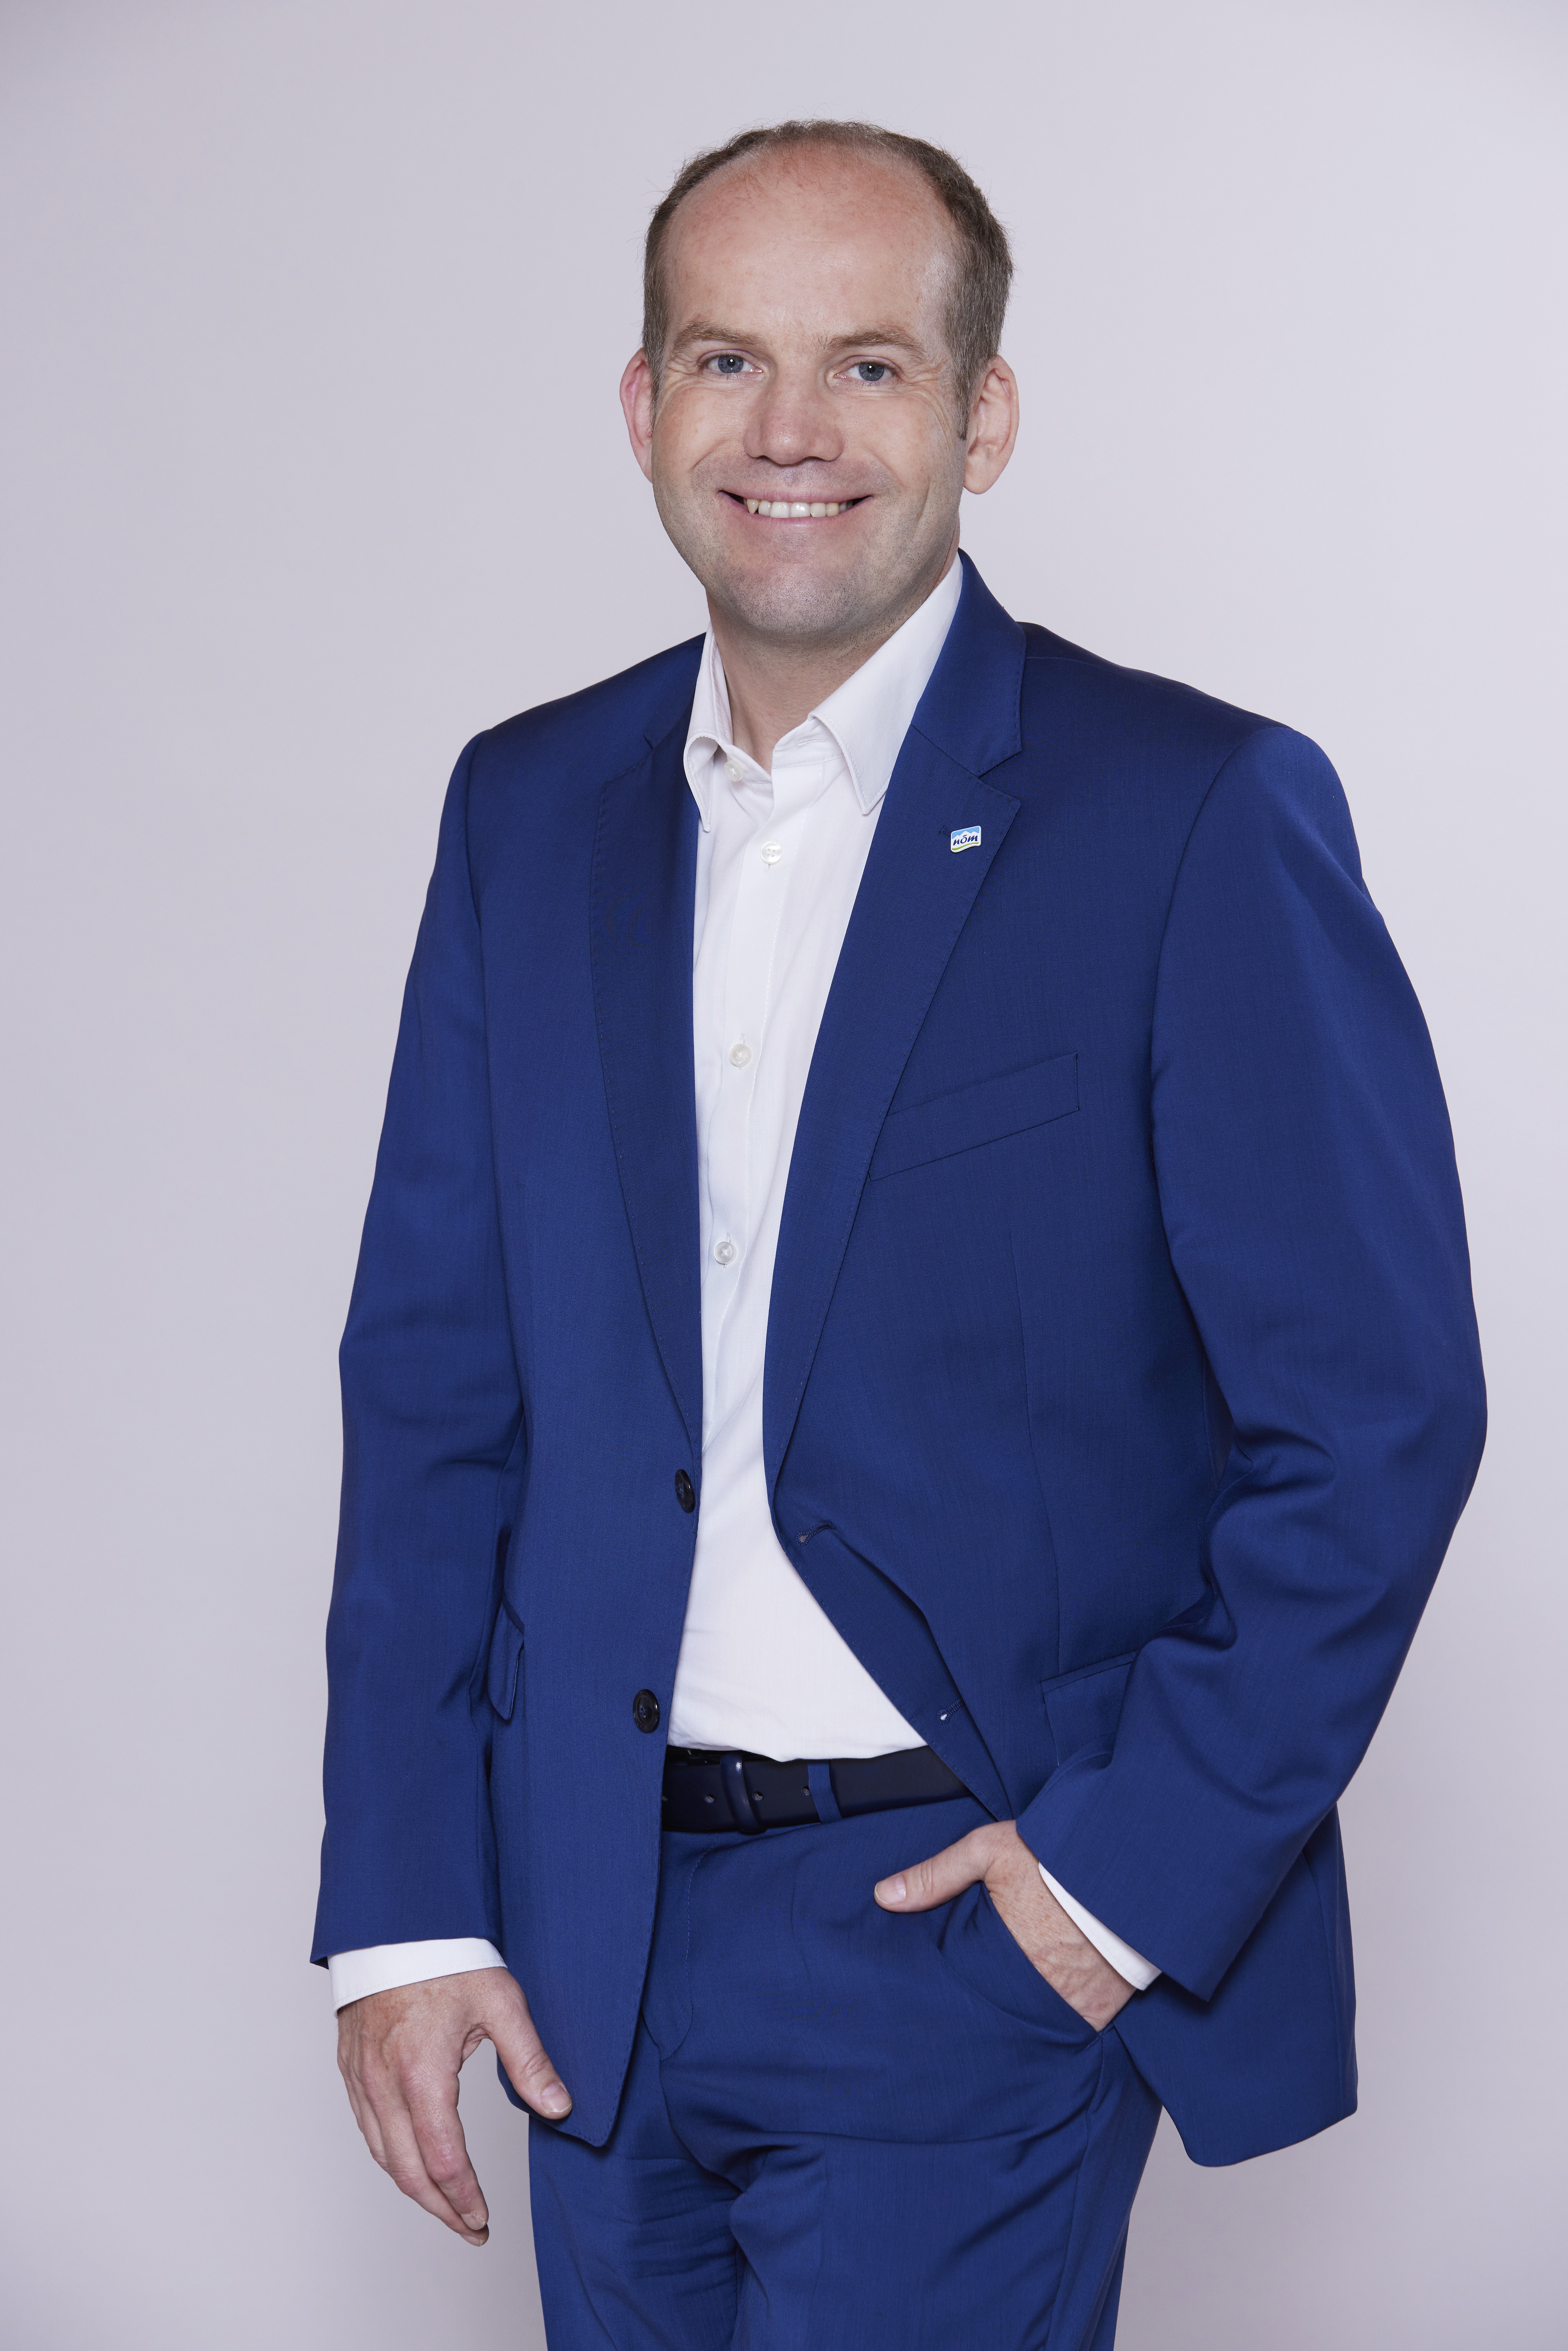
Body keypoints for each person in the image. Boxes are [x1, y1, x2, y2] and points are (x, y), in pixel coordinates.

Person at [315, 120, 1485, 2349]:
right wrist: (404, 1902)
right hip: (586, 1944)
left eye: (866, 365)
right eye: (725, 360)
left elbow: (1375, 1417)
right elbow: (436, 1388)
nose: (789, 430)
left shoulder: (1190, 811)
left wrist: (1109, 1892)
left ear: (983, 415)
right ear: (641, 406)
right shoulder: (521, 812)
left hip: (959, 1934)